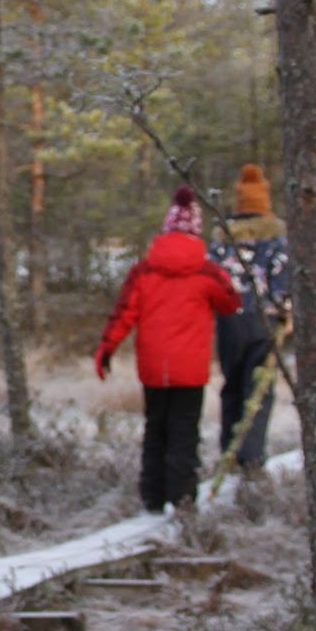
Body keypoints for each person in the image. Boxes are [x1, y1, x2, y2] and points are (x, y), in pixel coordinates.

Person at [94, 186, 242, 515]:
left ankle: (153, 498)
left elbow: (123, 314)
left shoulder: (144, 272)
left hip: (153, 367)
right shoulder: (207, 272)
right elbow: (232, 303)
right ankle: (182, 499)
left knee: (155, 429)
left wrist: (106, 349)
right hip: (190, 369)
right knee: (184, 432)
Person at [212, 163, 294, 470]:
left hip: (229, 320)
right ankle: (252, 456)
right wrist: (286, 310)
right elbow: (282, 278)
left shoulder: (223, 239)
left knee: (232, 385)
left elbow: (212, 277)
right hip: (265, 320)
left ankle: (228, 452)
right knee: (259, 389)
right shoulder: (276, 238)